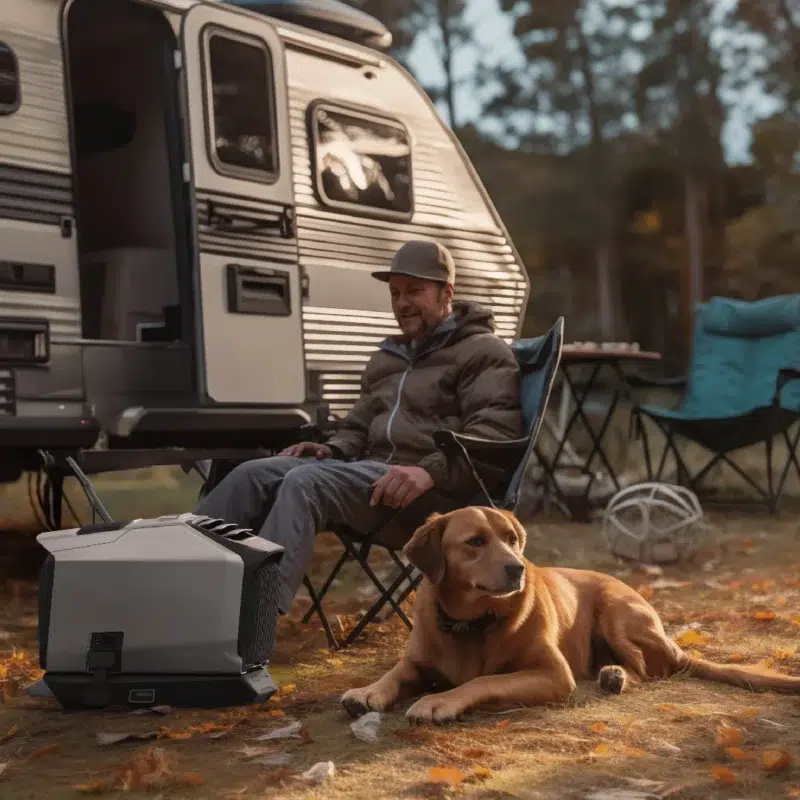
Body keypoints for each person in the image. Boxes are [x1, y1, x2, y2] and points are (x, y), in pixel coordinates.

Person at [195, 239, 524, 614]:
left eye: (415, 291)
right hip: (371, 480)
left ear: (447, 292)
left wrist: (428, 472)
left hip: (436, 497)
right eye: (395, 293)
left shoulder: (483, 351)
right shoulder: (390, 357)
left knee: (305, 484)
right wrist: (332, 449)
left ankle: (256, 618)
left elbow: (493, 437)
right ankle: (178, 576)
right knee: (250, 474)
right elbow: (358, 426)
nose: (402, 303)